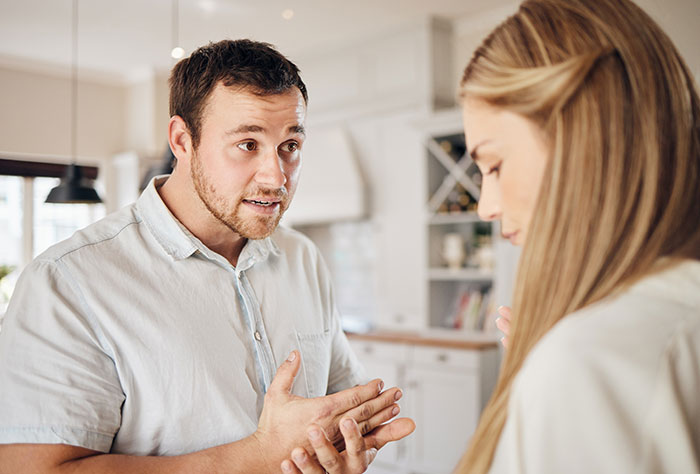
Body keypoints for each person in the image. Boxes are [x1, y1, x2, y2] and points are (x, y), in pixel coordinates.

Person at [281, 0, 700, 472]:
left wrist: (554, 373)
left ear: (583, 139)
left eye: (495, 165)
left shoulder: (592, 359)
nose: (487, 206)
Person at [0, 39, 414, 472]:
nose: (277, 177)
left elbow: (335, 408)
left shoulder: (303, 257)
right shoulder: (66, 281)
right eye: (248, 144)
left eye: (290, 145)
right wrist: (259, 455)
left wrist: (344, 446)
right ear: (182, 140)